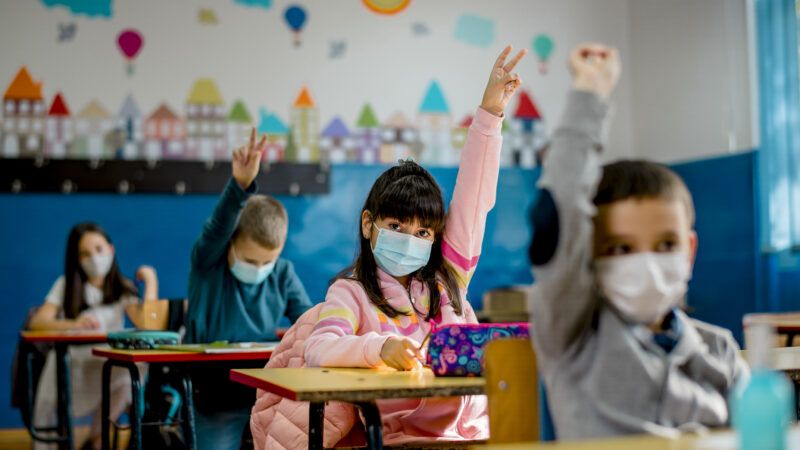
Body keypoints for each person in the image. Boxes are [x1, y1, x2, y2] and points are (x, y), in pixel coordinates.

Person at [528, 42, 749, 439]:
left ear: (690, 251)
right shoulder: (574, 336)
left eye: (666, 245)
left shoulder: (721, 353)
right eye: (621, 248)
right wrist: (590, 94)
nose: (646, 262)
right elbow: (559, 213)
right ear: (587, 256)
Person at [186, 127, 313, 450]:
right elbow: (217, 227)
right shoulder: (209, 264)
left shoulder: (282, 273)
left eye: (266, 261)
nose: (259, 269)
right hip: (213, 396)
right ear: (230, 244)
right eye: (249, 259)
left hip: (267, 391)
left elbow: (309, 321)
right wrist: (240, 186)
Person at [29, 222, 159, 450]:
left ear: (111, 249)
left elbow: (149, 323)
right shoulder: (66, 285)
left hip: (107, 365)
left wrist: (150, 280)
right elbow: (37, 322)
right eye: (85, 254)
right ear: (76, 259)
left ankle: (98, 437)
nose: (94, 258)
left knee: (135, 370)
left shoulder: (123, 289)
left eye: (99, 250)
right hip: (74, 366)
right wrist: (73, 323)